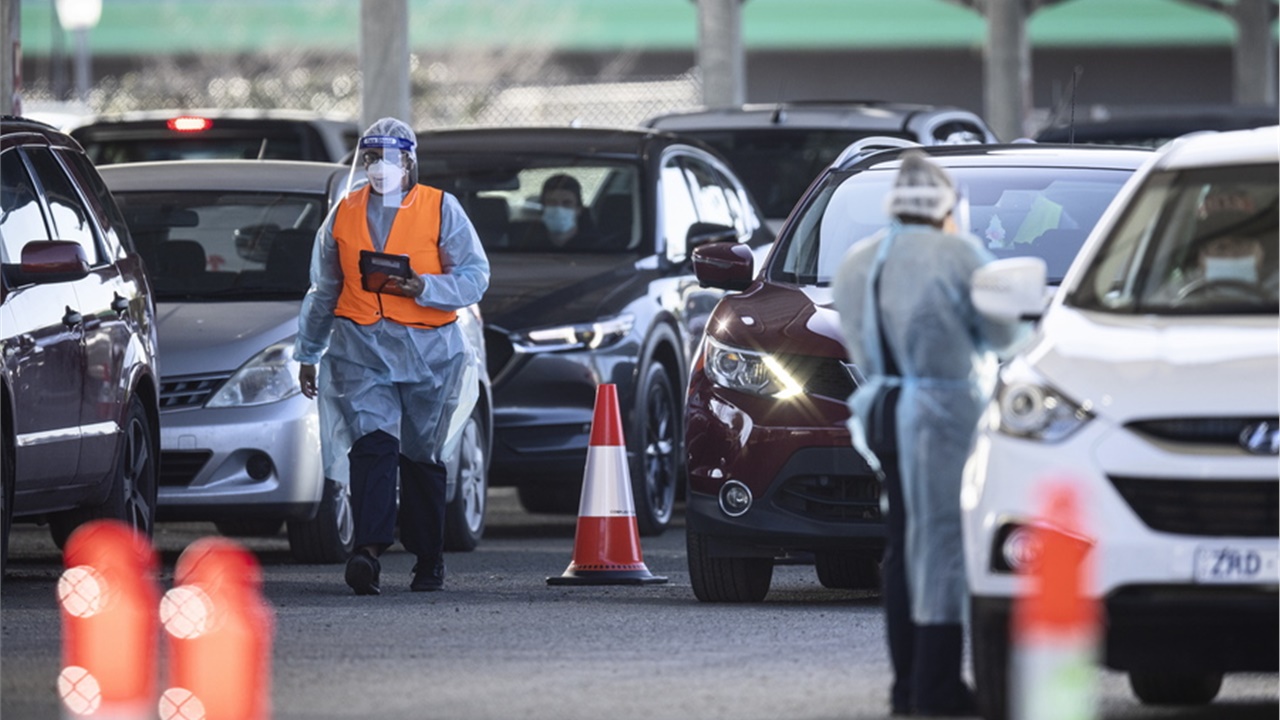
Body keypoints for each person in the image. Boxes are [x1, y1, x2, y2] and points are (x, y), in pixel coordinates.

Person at [830, 151, 1020, 716]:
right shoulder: (958, 254)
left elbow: (860, 339)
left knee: (902, 546)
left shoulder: (858, 261)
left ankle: (905, 686)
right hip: (943, 414)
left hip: (882, 409)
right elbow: (1001, 334)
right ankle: (936, 687)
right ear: (946, 204)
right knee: (940, 546)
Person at [294, 117, 490, 596]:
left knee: (421, 456)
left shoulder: (441, 209)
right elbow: (325, 290)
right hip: (361, 352)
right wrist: (308, 351)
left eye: (390, 158)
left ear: (409, 162)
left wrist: (425, 286)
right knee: (373, 448)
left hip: (430, 353)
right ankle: (369, 552)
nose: (380, 168)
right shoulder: (343, 214)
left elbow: (475, 275)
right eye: (372, 158)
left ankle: (428, 560)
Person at [526, 173, 598, 250]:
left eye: (567, 203)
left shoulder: (598, 248)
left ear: (579, 209)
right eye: (552, 203)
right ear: (543, 208)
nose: (558, 209)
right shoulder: (527, 246)